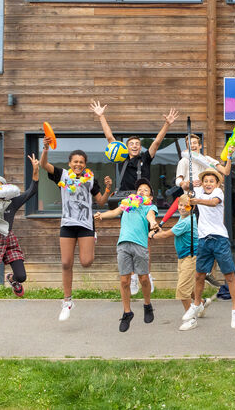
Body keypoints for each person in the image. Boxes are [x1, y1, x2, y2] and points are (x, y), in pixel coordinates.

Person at [90, 99, 179, 294]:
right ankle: (131, 278)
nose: (135, 146)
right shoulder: (121, 157)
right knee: (128, 236)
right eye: (131, 144)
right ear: (126, 147)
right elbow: (110, 138)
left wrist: (167, 124)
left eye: (137, 144)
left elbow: (156, 142)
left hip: (144, 200)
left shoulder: (146, 158)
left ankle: (146, 274)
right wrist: (101, 116)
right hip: (127, 201)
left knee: (145, 238)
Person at [39, 136, 112, 321]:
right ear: (70, 163)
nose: (78, 164)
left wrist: (108, 189)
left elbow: (100, 202)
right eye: (75, 162)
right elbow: (44, 164)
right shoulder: (62, 175)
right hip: (68, 224)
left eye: (81, 162)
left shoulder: (91, 178)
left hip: (86, 225)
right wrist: (46, 148)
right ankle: (67, 301)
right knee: (66, 263)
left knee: (86, 262)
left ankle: (93, 239)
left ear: (85, 164)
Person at [94, 179, 159, 332]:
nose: (141, 191)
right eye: (140, 189)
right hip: (123, 244)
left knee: (144, 278)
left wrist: (153, 223)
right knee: (124, 280)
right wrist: (102, 215)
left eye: (146, 190)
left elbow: (151, 216)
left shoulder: (149, 207)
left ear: (150, 197)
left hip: (140, 245)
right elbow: (114, 212)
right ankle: (127, 312)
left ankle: (147, 305)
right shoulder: (127, 204)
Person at [185, 168, 235, 329]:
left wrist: (196, 200)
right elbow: (185, 187)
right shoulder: (198, 191)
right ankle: (197, 305)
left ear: (217, 184)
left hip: (219, 239)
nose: (208, 184)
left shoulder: (218, 193)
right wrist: (188, 184)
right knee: (199, 275)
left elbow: (213, 203)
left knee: (229, 275)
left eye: (211, 181)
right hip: (203, 240)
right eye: (205, 181)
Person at [0, 155, 40, 308]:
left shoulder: (12, 202)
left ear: (4, 187)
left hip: (9, 242)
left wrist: (35, 170)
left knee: (21, 276)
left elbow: (32, 191)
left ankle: (13, 279)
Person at [148, 194, 208, 331]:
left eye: (185, 206)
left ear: (192, 208)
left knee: (182, 290)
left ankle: (191, 320)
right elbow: (168, 232)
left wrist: (152, 235)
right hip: (183, 257)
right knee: (189, 289)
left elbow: (166, 235)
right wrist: (159, 230)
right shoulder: (184, 218)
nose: (181, 208)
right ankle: (201, 303)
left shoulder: (187, 221)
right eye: (180, 205)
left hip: (190, 258)